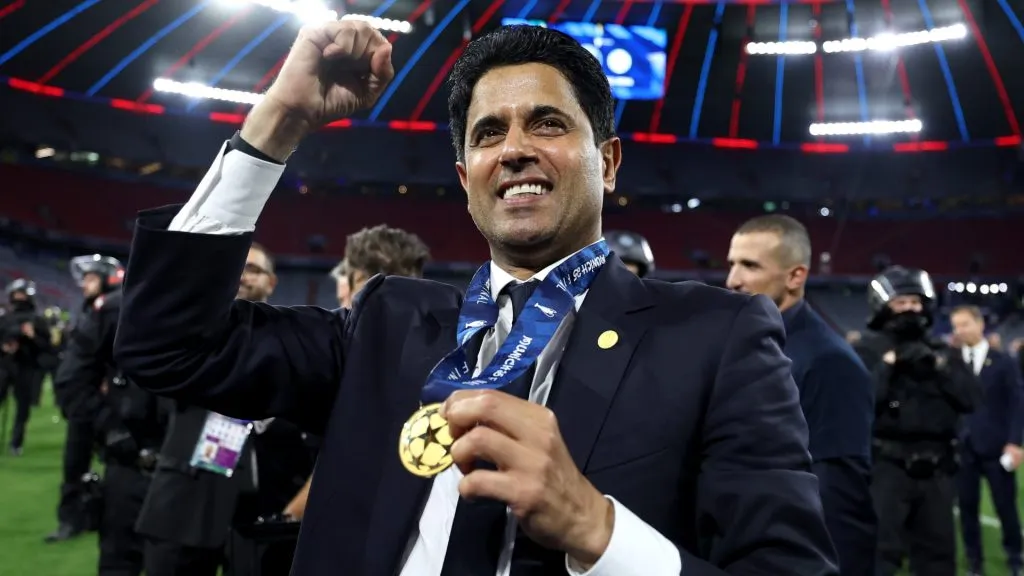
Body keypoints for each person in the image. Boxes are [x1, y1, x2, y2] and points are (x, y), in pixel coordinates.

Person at [113, 22, 838, 575]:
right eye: (488, 133)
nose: (514, 148)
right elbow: (166, 344)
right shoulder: (385, 322)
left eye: (547, 123)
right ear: (467, 180)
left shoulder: (717, 336)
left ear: (608, 161)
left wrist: (599, 530)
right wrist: (278, 122)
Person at [136, 242, 316, 576]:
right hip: (185, 509)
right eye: (238, 267)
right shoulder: (188, 329)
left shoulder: (292, 341)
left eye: (254, 269)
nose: (244, 276)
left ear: (271, 283)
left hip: (262, 515)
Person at [726, 215, 876, 575]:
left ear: (795, 276)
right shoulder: (746, 343)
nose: (732, 280)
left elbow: (840, 498)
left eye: (750, 266)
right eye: (732, 264)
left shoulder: (830, 363)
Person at [285, 225, 431, 521]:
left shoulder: (369, 359)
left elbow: (348, 457)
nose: (341, 311)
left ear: (362, 284)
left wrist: (289, 515)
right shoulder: (441, 348)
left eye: (343, 303)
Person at [852, 265, 980, 576]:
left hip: (937, 471)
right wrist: (888, 366)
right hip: (887, 468)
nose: (910, 309)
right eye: (901, 303)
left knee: (938, 558)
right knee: (879, 556)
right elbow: (860, 403)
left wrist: (939, 366)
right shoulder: (866, 350)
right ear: (882, 306)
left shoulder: (943, 352)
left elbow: (971, 400)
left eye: (915, 302)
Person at [53, 255, 170, 576]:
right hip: (133, 466)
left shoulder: (219, 310)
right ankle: (69, 516)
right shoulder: (116, 309)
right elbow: (71, 382)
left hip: (195, 476)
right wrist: (112, 430)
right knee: (121, 563)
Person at [47, 255, 125, 543]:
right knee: (80, 463)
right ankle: (82, 517)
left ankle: (88, 518)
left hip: (94, 401)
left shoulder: (112, 307)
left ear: (108, 279)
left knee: (94, 462)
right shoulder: (99, 308)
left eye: (92, 279)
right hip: (86, 398)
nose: (85, 285)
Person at [950, 305, 1024, 576]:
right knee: (967, 509)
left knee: (1006, 508)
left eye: (965, 324)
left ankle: (1015, 557)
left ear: (980, 324)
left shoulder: (1004, 361)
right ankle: (974, 561)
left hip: (996, 447)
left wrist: (1015, 442)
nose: (959, 330)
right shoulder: (952, 361)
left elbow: (1017, 404)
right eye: (956, 325)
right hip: (963, 448)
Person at [0, 278, 52, 455]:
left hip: (26, 367)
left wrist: (32, 337)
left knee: (22, 408)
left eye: (22, 294)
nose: (19, 297)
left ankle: (16, 442)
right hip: (5, 366)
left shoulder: (37, 320)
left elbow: (46, 347)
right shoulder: (5, 318)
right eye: (16, 294)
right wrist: (5, 346)